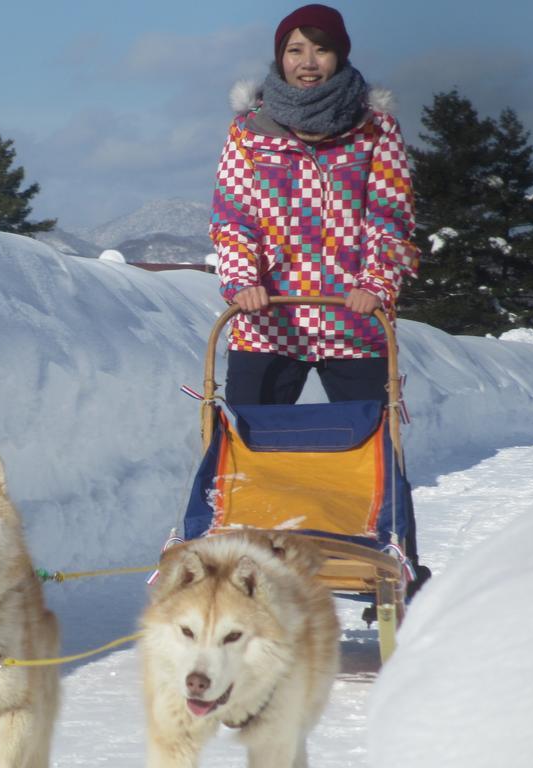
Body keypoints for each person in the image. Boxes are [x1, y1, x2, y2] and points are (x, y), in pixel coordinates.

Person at [209, 3, 430, 594]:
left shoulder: (375, 129)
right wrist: (242, 282)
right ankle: (239, 569)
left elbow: (391, 218)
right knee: (251, 453)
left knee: (372, 453)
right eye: (295, 50)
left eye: (320, 49)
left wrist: (375, 286)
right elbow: (233, 219)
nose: (308, 63)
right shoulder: (249, 131)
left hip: (351, 321)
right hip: (268, 320)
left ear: (341, 54)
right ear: (279, 58)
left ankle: (390, 564)